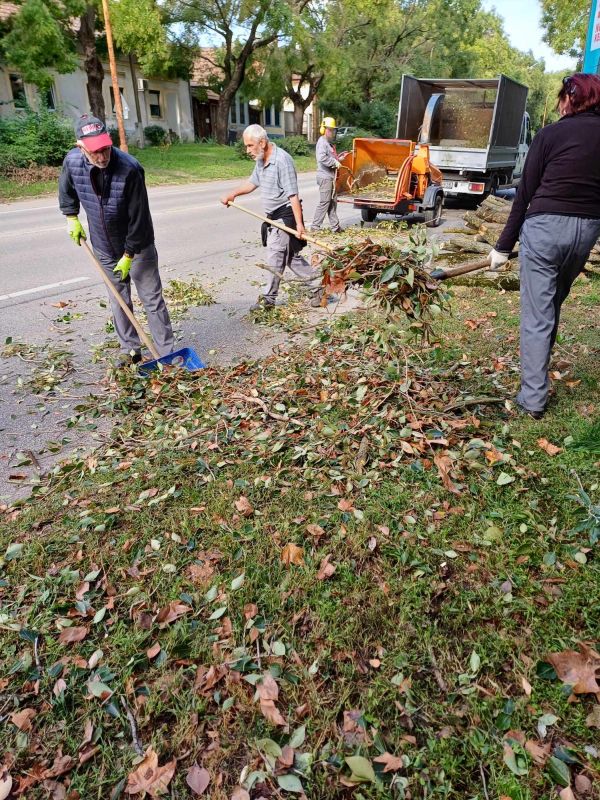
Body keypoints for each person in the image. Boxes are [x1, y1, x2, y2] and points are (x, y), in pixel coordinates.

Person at [488, 73, 600, 419]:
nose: (559, 105)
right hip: (586, 231)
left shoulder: (551, 134)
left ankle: (532, 401)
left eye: (561, 98)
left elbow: (525, 193)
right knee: (550, 306)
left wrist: (503, 246)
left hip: (544, 226)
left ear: (571, 98)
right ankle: (537, 376)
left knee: (538, 316)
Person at [59, 114, 174, 366]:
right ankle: (130, 350)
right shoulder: (72, 161)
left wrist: (129, 254)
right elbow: (66, 191)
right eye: (94, 151)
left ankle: (166, 355)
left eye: (105, 148)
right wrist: (71, 217)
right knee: (119, 299)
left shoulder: (129, 168)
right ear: (81, 147)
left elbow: (139, 218)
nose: (101, 156)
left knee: (152, 300)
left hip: (138, 246)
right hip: (103, 246)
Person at [220, 124, 322, 311]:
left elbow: (293, 195)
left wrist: (300, 225)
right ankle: (319, 287)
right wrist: (232, 194)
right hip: (272, 217)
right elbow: (252, 182)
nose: (247, 150)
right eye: (246, 146)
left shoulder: (282, 160)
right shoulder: (261, 159)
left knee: (275, 255)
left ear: (263, 142)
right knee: (290, 257)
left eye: (250, 146)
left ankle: (268, 299)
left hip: (285, 215)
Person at [310, 116, 343, 233]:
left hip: (330, 177)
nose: (332, 132)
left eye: (333, 130)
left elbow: (331, 156)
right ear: (324, 130)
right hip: (325, 177)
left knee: (332, 202)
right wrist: (333, 162)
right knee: (324, 202)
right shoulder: (322, 142)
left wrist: (339, 159)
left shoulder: (328, 143)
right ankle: (315, 227)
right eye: (329, 130)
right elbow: (322, 158)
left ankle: (336, 227)